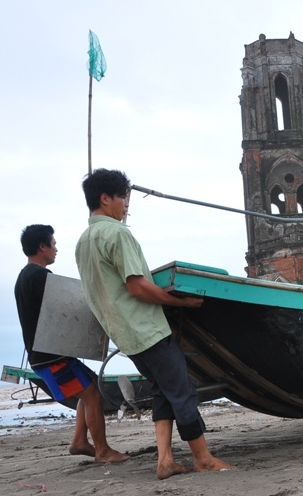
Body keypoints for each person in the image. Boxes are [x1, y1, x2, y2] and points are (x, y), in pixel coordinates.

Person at [75, 169, 230, 479]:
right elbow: (137, 286)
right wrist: (179, 302)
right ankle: (203, 458)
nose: (126, 205)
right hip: (146, 329)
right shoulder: (118, 234)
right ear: (105, 199)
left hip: (124, 335)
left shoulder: (82, 242)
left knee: (163, 391)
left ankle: (166, 460)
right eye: (123, 198)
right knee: (182, 390)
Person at [14, 224, 129, 463]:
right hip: (50, 357)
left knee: (89, 388)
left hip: (49, 355)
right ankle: (102, 451)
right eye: (53, 244)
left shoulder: (24, 276)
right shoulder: (39, 277)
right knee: (92, 395)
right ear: (42, 246)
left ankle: (79, 441)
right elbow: (69, 308)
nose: (56, 249)